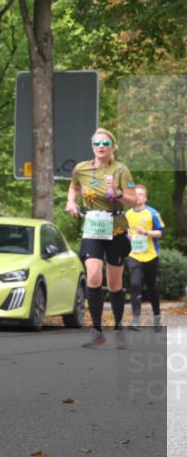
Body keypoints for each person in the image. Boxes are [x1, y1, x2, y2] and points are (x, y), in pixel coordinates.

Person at [66, 128, 137, 349]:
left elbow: (133, 200)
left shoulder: (121, 170)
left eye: (106, 142)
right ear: (92, 146)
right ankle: (96, 331)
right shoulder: (81, 168)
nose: (101, 146)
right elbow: (74, 187)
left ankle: (118, 328)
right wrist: (71, 202)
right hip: (93, 230)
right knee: (94, 276)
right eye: (97, 143)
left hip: (115, 230)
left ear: (113, 147)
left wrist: (117, 193)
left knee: (115, 284)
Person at [125, 185, 165, 332]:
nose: (138, 197)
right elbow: (125, 232)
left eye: (141, 194)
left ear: (145, 198)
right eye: (135, 194)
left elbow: (162, 233)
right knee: (135, 284)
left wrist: (146, 232)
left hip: (151, 256)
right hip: (134, 255)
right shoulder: (128, 214)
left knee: (152, 287)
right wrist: (128, 237)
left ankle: (157, 318)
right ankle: (136, 320)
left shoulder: (152, 213)